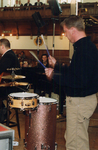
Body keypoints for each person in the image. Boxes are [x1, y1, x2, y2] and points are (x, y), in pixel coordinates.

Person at [45, 15, 98, 150]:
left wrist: (54, 76)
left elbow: (79, 81)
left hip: (80, 102)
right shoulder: (84, 47)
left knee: (75, 144)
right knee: (74, 138)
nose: (65, 35)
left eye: (65, 31)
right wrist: (56, 66)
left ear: (72, 29)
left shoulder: (84, 50)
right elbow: (75, 72)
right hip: (81, 101)